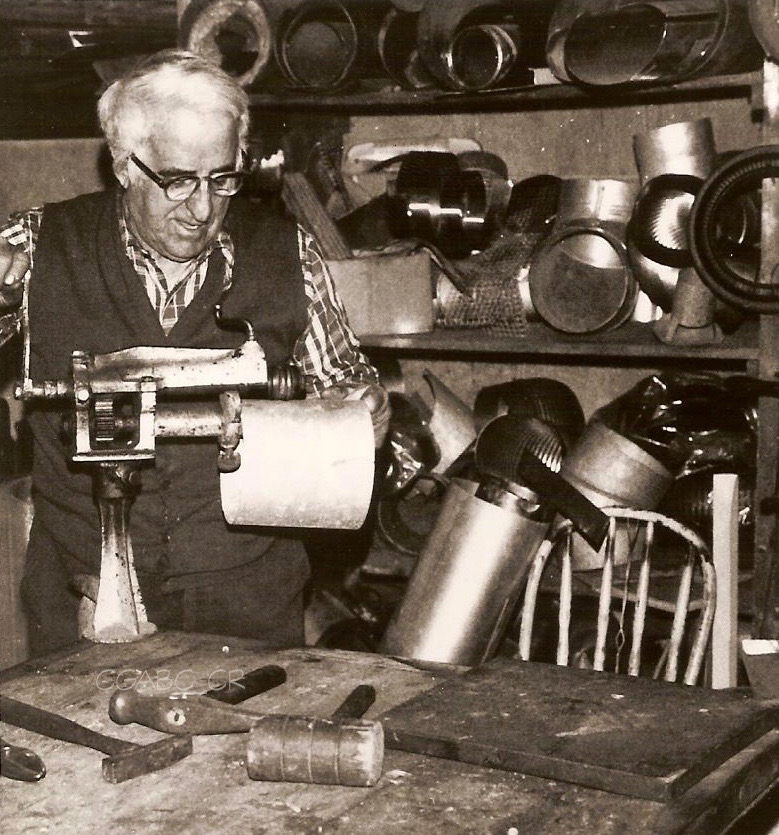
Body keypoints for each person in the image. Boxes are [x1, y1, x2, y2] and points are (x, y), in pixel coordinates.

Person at [0, 49, 389, 657]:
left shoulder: (287, 252)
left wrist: (365, 408)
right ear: (125, 164)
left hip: (247, 598)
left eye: (223, 179)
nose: (202, 209)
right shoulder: (41, 244)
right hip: (82, 585)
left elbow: (344, 382)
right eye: (178, 180)